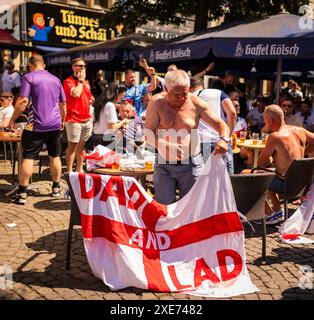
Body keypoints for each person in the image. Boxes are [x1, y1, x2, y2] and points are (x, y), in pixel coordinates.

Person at [145, 70, 230, 205]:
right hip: (164, 164)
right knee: (163, 207)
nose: (181, 98)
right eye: (176, 94)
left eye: (184, 93)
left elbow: (221, 124)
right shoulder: (156, 103)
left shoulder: (195, 103)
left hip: (192, 164)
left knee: (190, 208)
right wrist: (164, 144)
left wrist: (224, 140)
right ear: (166, 89)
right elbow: (148, 133)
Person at [8, 54, 66, 204]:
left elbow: (23, 101)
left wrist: (13, 118)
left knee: (28, 157)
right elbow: (63, 105)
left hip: (36, 125)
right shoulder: (56, 79)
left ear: (30, 66)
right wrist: (63, 120)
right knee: (55, 155)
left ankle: (22, 194)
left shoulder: (29, 77)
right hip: (54, 125)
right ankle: (56, 188)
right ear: (44, 65)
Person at [255, 105, 314, 224]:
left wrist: (271, 158)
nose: (264, 122)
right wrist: (304, 153)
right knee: (271, 173)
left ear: (271, 120)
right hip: (301, 185)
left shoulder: (275, 136)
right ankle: (277, 211)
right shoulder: (299, 130)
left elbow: (260, 164)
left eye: (265, 119)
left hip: (287, 186)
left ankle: (269, 214)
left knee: (248, 174)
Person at [189, 77, 236, 173]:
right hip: (221, 141)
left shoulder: (189, 98)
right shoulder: (218, 93)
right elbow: (232, 113)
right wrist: (228, 136)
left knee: (203, 181)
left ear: (189, 88)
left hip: (200, 144)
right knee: (227, 181)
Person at [63, 58, 93, 172]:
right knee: (72, 146)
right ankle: (70, 172)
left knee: (81, 147)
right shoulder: (68, 81)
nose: (82, 68)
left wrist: (90, 100)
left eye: (84, 66)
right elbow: (75, 94)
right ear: (73, 67)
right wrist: (80, 81)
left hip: (86, 119)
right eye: (79, 65)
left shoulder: (86, 82)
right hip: (73, 119)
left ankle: (79, 170)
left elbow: (87, 96)